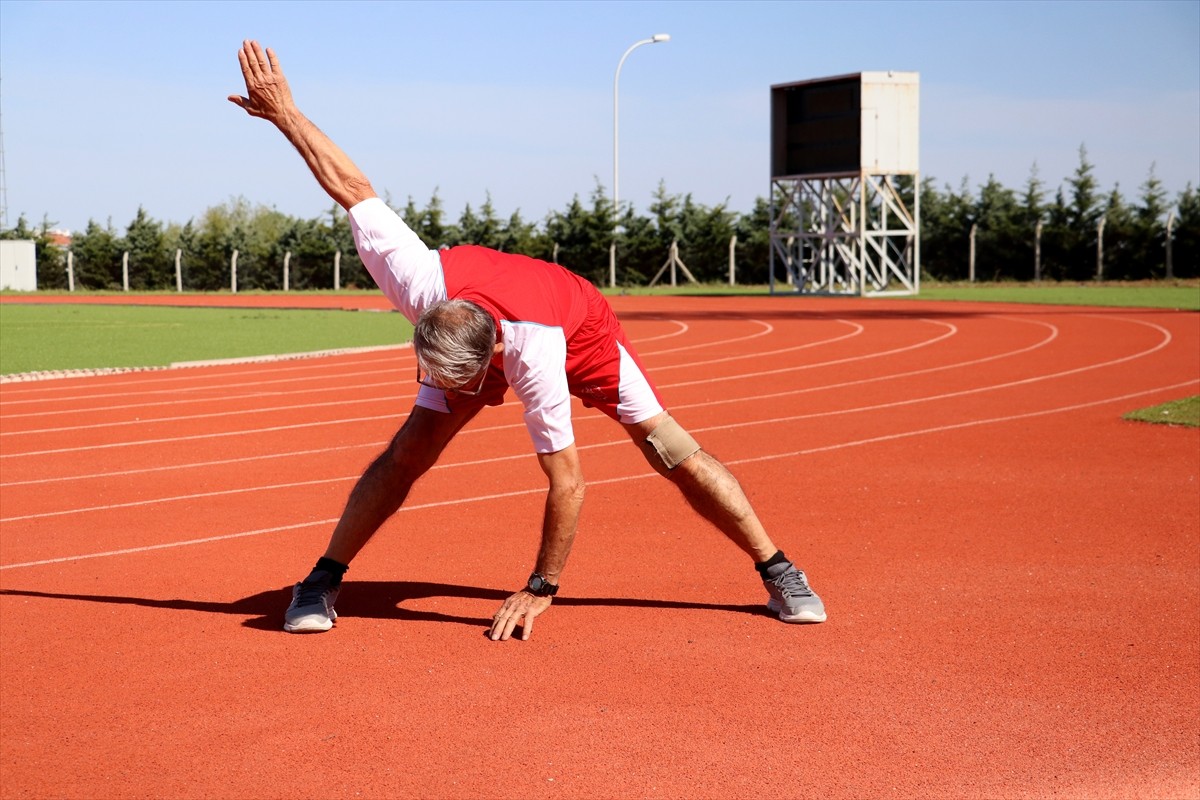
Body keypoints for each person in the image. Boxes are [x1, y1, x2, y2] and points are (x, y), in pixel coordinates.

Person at [228, 39, 825, 641]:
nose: (436, 384)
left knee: (668, 447)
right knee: (408, 450)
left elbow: (568, 481)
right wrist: (286, 115)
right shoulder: (420, 281)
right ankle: (322, 579)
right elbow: (353, 187)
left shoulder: (533, 355)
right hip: (481, 332)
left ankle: (779, 569)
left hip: (579, 331)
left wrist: (542, 585)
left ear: (491, 359)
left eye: (449, 379)